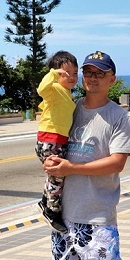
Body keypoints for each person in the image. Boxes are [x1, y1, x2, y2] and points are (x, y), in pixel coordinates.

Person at [44, 51, 130, 260]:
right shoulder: (70, 107)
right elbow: (53, 140)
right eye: (87, 72)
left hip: (97, 219)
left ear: (112, 79)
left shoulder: (119, 116)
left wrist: (72, 168)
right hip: (62, 218)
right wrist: (49, 161)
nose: (92, 78)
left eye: (100, 73)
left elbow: (117, 163)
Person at [35, 50, 79, 233]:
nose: (71, 77)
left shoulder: (67, 93)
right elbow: (41, 89)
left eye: (75, 73)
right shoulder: (53, 90)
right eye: (65, 73)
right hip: (50, 140)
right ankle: (52, 212)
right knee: (58, 176)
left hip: (57, 141)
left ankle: (45, 202)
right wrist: (53, 74)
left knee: (55, 175)